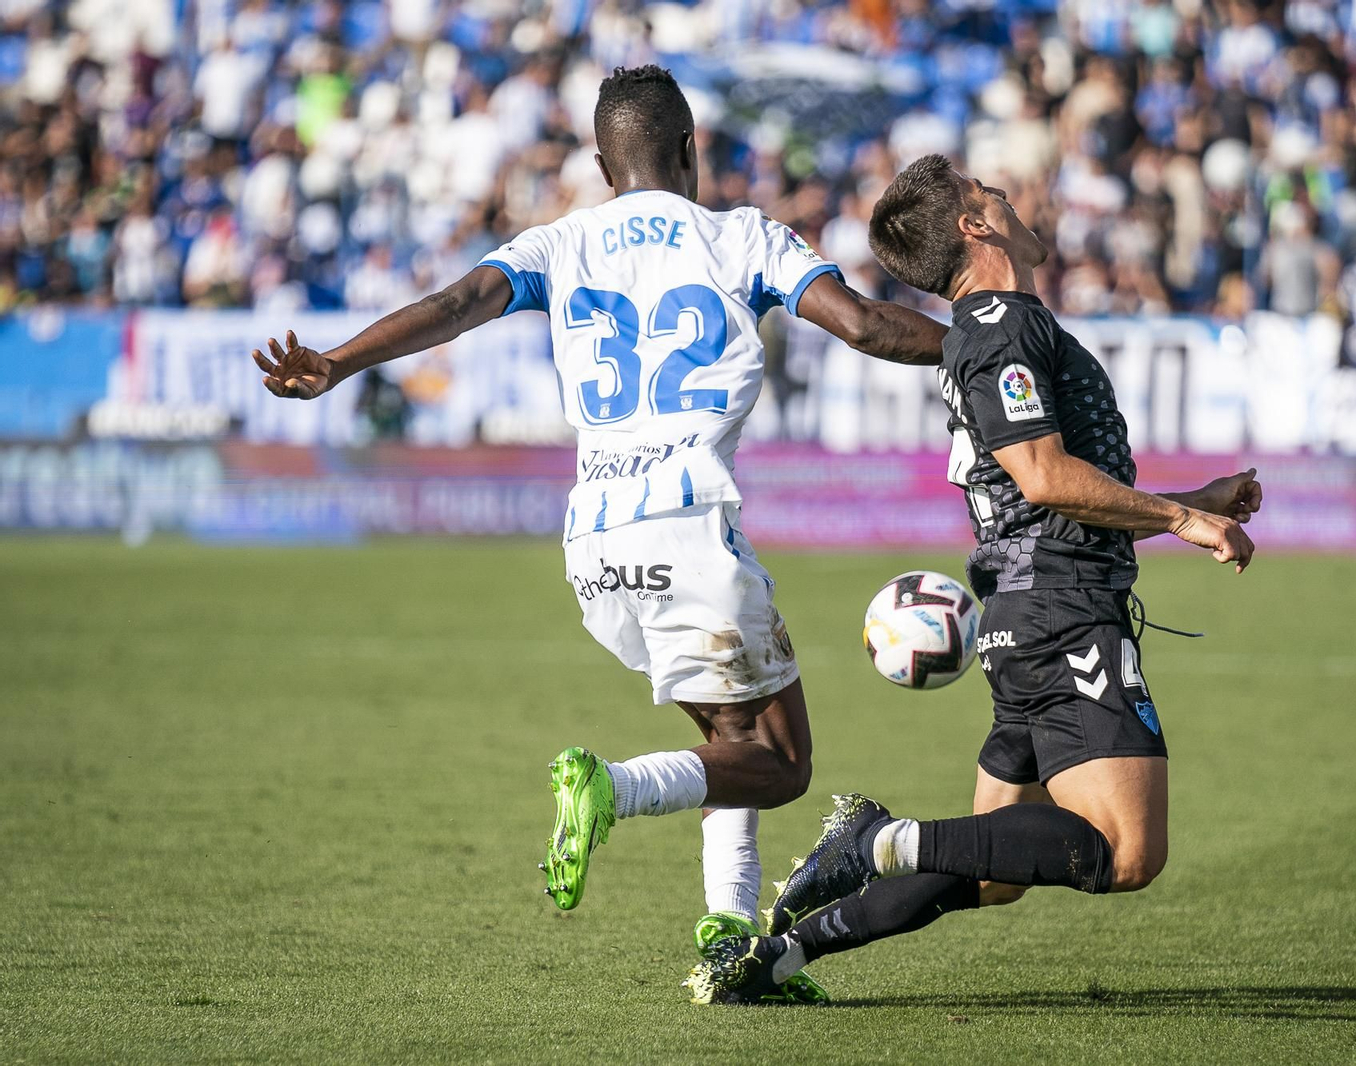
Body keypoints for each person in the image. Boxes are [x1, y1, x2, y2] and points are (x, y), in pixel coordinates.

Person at [249, 66, 946, 1002]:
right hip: (688, 520)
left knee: (724, 736)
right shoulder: (740, 236)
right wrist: (986, 339)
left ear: (600, 162)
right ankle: (611, 788)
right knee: (781, 765)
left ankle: (732, 942)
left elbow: (456, 305)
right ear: (693, 150)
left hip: (593, 541)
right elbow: (863, 326)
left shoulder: (557, 241)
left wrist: (337, 362)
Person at [685, 154, 1262, 1004]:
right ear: (975, 225)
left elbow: (1048, 494)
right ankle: (880, 839)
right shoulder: (1001, 324)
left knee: (993, 867)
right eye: (991, 191)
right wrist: (1178, 519)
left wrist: (1192, 500)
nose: (1009, 193)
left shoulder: (988, 330)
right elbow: (1043, 478)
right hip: (1063, 617)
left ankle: (779, 955)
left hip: (1026, 617)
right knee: (1127, 851)